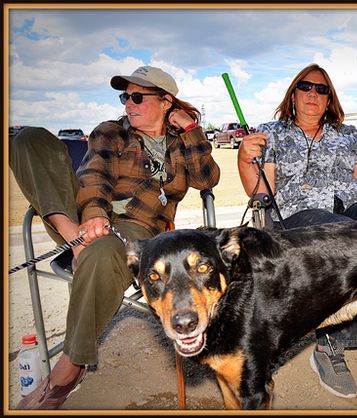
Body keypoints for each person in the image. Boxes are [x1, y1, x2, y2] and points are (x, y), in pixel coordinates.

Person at [10, 65, 221, 409]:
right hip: (77, 214)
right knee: (29, 137)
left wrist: (192, 128)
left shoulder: (182, 142)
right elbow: (94, 175)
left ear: (166, 101)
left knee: (106, 250)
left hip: (136, 229)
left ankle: (69, 366)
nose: (128, 104)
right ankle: (77, 240)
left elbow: (206, 179)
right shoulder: (112, 132)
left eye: (137, 97)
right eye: (125, 96)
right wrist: (91, 217)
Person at [237, 63, 357, 398]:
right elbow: (260, 191)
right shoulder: (273, 133)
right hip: (298, 222)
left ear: (330, 99)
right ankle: (330, 346)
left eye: (321, 89)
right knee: (344, 237)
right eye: (306, 87)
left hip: (347, 215)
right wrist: (245, 159)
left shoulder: (347, 135)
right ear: (293, 93)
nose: (313, 94)